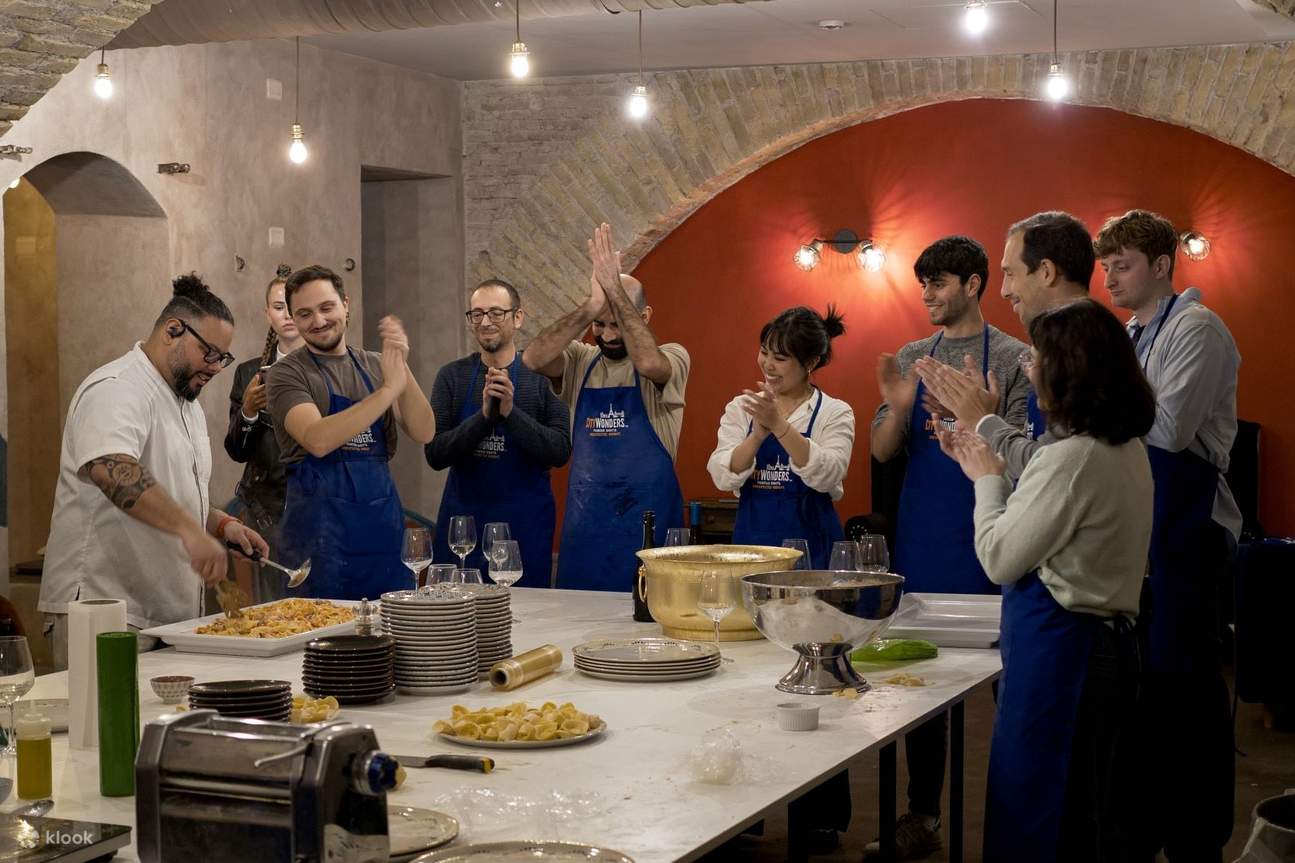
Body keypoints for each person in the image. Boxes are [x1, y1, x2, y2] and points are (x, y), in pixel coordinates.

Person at [938, 299, 1153, 862]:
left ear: (1069, 371)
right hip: (1106, 649)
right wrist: (986, 448)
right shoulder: (1123, 447)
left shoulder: (1074, 457)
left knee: (1043, 813)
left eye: (1039, 360)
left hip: (1066, 657)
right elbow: (1044, 494)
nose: (1031, 371)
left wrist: (985, 480)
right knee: (1086, 813)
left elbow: (999, 558)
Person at [865, 236, 1029, 859]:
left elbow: (1024, 460)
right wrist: (896, 407)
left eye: (938, 283)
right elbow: (883, 450)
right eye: (923, 285)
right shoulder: (913, 356)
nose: (927, 295)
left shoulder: (1013, 357)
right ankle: (923, 815)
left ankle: (1018, 823)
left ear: (974, 284)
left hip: (991, 533)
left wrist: (983, 414)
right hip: (925, 535)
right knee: (921, 681)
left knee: (1011, 686)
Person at [1095, 209, 1240, 861]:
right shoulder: (1129, 334)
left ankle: (1196, 839)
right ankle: (1143, 829)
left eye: (1121, 265)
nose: (1109, 279)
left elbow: (1172, 429)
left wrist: (1101, 406)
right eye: (1104, 267)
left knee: (1186, 689)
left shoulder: (1195, 327)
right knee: (1141, 687)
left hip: (1189, 528)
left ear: (1160, 265)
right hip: (1140, 523)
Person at [38, 274, 269, 669]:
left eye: (223, 358)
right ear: (172, 330)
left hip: (166, 618)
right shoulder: (118, 387)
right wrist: (189, 532)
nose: (216, 368)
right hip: (105, 612)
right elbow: (113, 471)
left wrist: (220, 524)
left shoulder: (187, 404)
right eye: (209, 353)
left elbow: (170, 491)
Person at [522, 223, 689, 590]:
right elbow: (533, 359)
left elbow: (649, 363)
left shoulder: (673, 356)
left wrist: (615, 288)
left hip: (649, 536)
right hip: (586, 533)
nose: (609, 335)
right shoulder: (581, 360)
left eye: (618, 323)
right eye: (600, 324)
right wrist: (590, 307)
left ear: (644, 317)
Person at [266, 264, 436, 600]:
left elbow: (424, 431)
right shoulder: (286, 374)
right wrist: (387, 390)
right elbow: (318, 440)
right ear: (294, 319)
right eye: (305, 314)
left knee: (392, 629)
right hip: (319, 548)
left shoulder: (376, 364)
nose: (318, 321)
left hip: (382, 540)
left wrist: (401, 366)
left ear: (345, 304)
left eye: (326, 307)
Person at [915, 211, 1094, 475]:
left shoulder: (1082, 353)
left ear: (1046, 272)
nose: (1004, 290)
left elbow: (1047, 469)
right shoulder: (1065, 345)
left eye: (1010, 274)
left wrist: (981, 419)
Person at [426, 278, 571, 586]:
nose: (485, 322)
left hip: (525, 527)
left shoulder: (544, 377)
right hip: (463, 527)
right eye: (477, 314)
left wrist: (509, 413)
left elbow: (559, 451)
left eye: (496, 313)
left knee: (525, 613)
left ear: (517, 318)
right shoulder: (452, 376)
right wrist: (484, 418)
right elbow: (435, 454)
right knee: (456, 612)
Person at [707, 306, 853, 569]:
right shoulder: (742, 407)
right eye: (764, 352)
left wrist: (779, 426)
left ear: (811, 363)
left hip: (815, 558)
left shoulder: (834, 412)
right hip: (752, 553)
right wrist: (756, 438)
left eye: (780, 358)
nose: (768, 364)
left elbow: (830, 473)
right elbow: (722, 475)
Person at [224, 275, 304, 600]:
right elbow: (236, 451)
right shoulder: (249, 373)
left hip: (318, 501)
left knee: (320, 603)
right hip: (266, 508)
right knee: (271, 605)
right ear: (267, 313)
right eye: (279, 307)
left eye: (293, 307)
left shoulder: (328, 368)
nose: (287, 315)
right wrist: (248, 411)